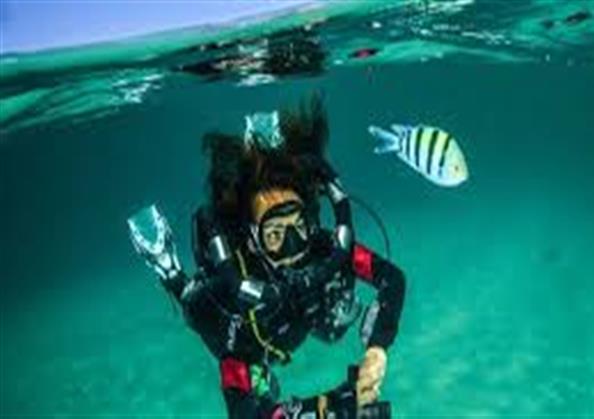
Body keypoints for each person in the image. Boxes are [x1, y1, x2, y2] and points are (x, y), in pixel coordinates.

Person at [128, 95, 405, 419]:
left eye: (298, 227)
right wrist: (330, 408)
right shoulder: (232, 299)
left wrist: (377, 349)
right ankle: (169, 270)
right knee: (197, 309)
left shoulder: (322, 247)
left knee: (333, 329)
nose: (292, 248)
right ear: (253, 238)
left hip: (300, 322)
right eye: (274, 235)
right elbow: (243, 412)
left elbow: (392, 278)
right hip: (257, 339)